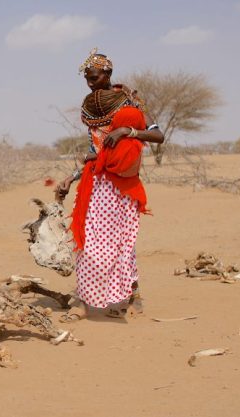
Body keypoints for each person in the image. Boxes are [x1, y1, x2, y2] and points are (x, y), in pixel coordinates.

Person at [57, 48, 164, 321]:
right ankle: (82, 300)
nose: (90, 82)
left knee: (122, 244)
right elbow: (94, 152)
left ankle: (131, 296)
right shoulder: (89, 107)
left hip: (122, 185)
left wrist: (126, 130)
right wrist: (71, 176)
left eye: (94, 77)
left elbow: (158, 136)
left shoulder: (131, 102)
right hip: (95, 183)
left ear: (107, 74)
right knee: (86, 242)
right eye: (87, 79)